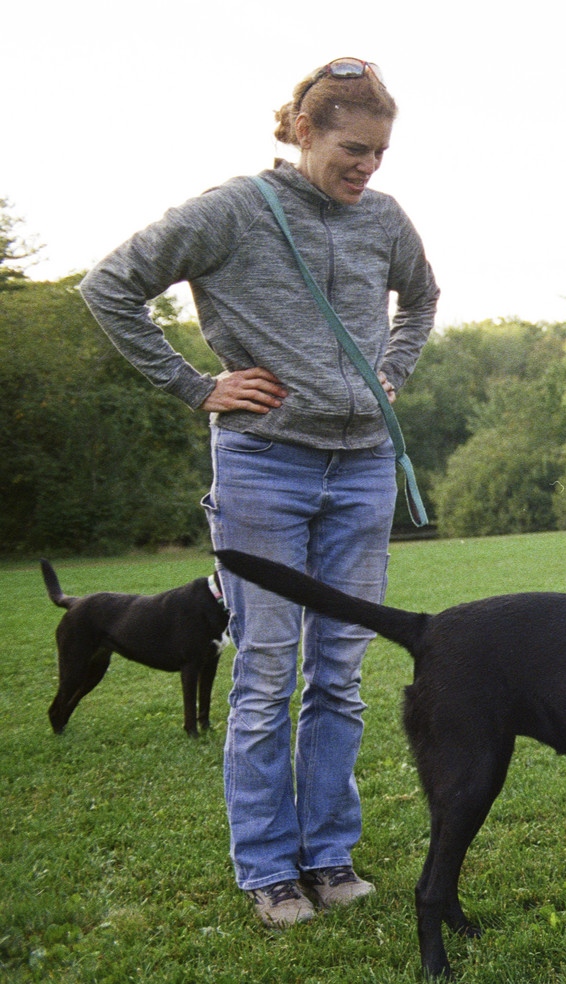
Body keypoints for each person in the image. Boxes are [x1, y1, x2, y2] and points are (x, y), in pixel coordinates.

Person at [79, 57, 438, 928]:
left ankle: (329, 854)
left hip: (361, 471)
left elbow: (422, 301)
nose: (368, 168)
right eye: (354, 150)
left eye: (381, 153)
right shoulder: (233, 211)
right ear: (305, 132)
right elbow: (110, 287)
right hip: (263, 469)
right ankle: (269, 870)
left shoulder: (384, 218)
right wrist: (196, 385)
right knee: (266, 672)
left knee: (340, 675)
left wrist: (389, 373)